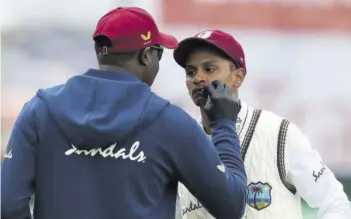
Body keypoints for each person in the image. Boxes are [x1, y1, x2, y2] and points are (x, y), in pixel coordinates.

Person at [1, 8, 248, 219]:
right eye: (159, 53)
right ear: (146, 56)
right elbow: (231, 205)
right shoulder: (172, 123)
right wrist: (224, 122)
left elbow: (8, 205)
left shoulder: (39, 111)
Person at [173, 29, 351, 219]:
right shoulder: (182, 143)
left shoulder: (278, 133)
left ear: (238, 77)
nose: (198, 78)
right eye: (190, 72)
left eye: (209, 69)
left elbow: (336, 204)